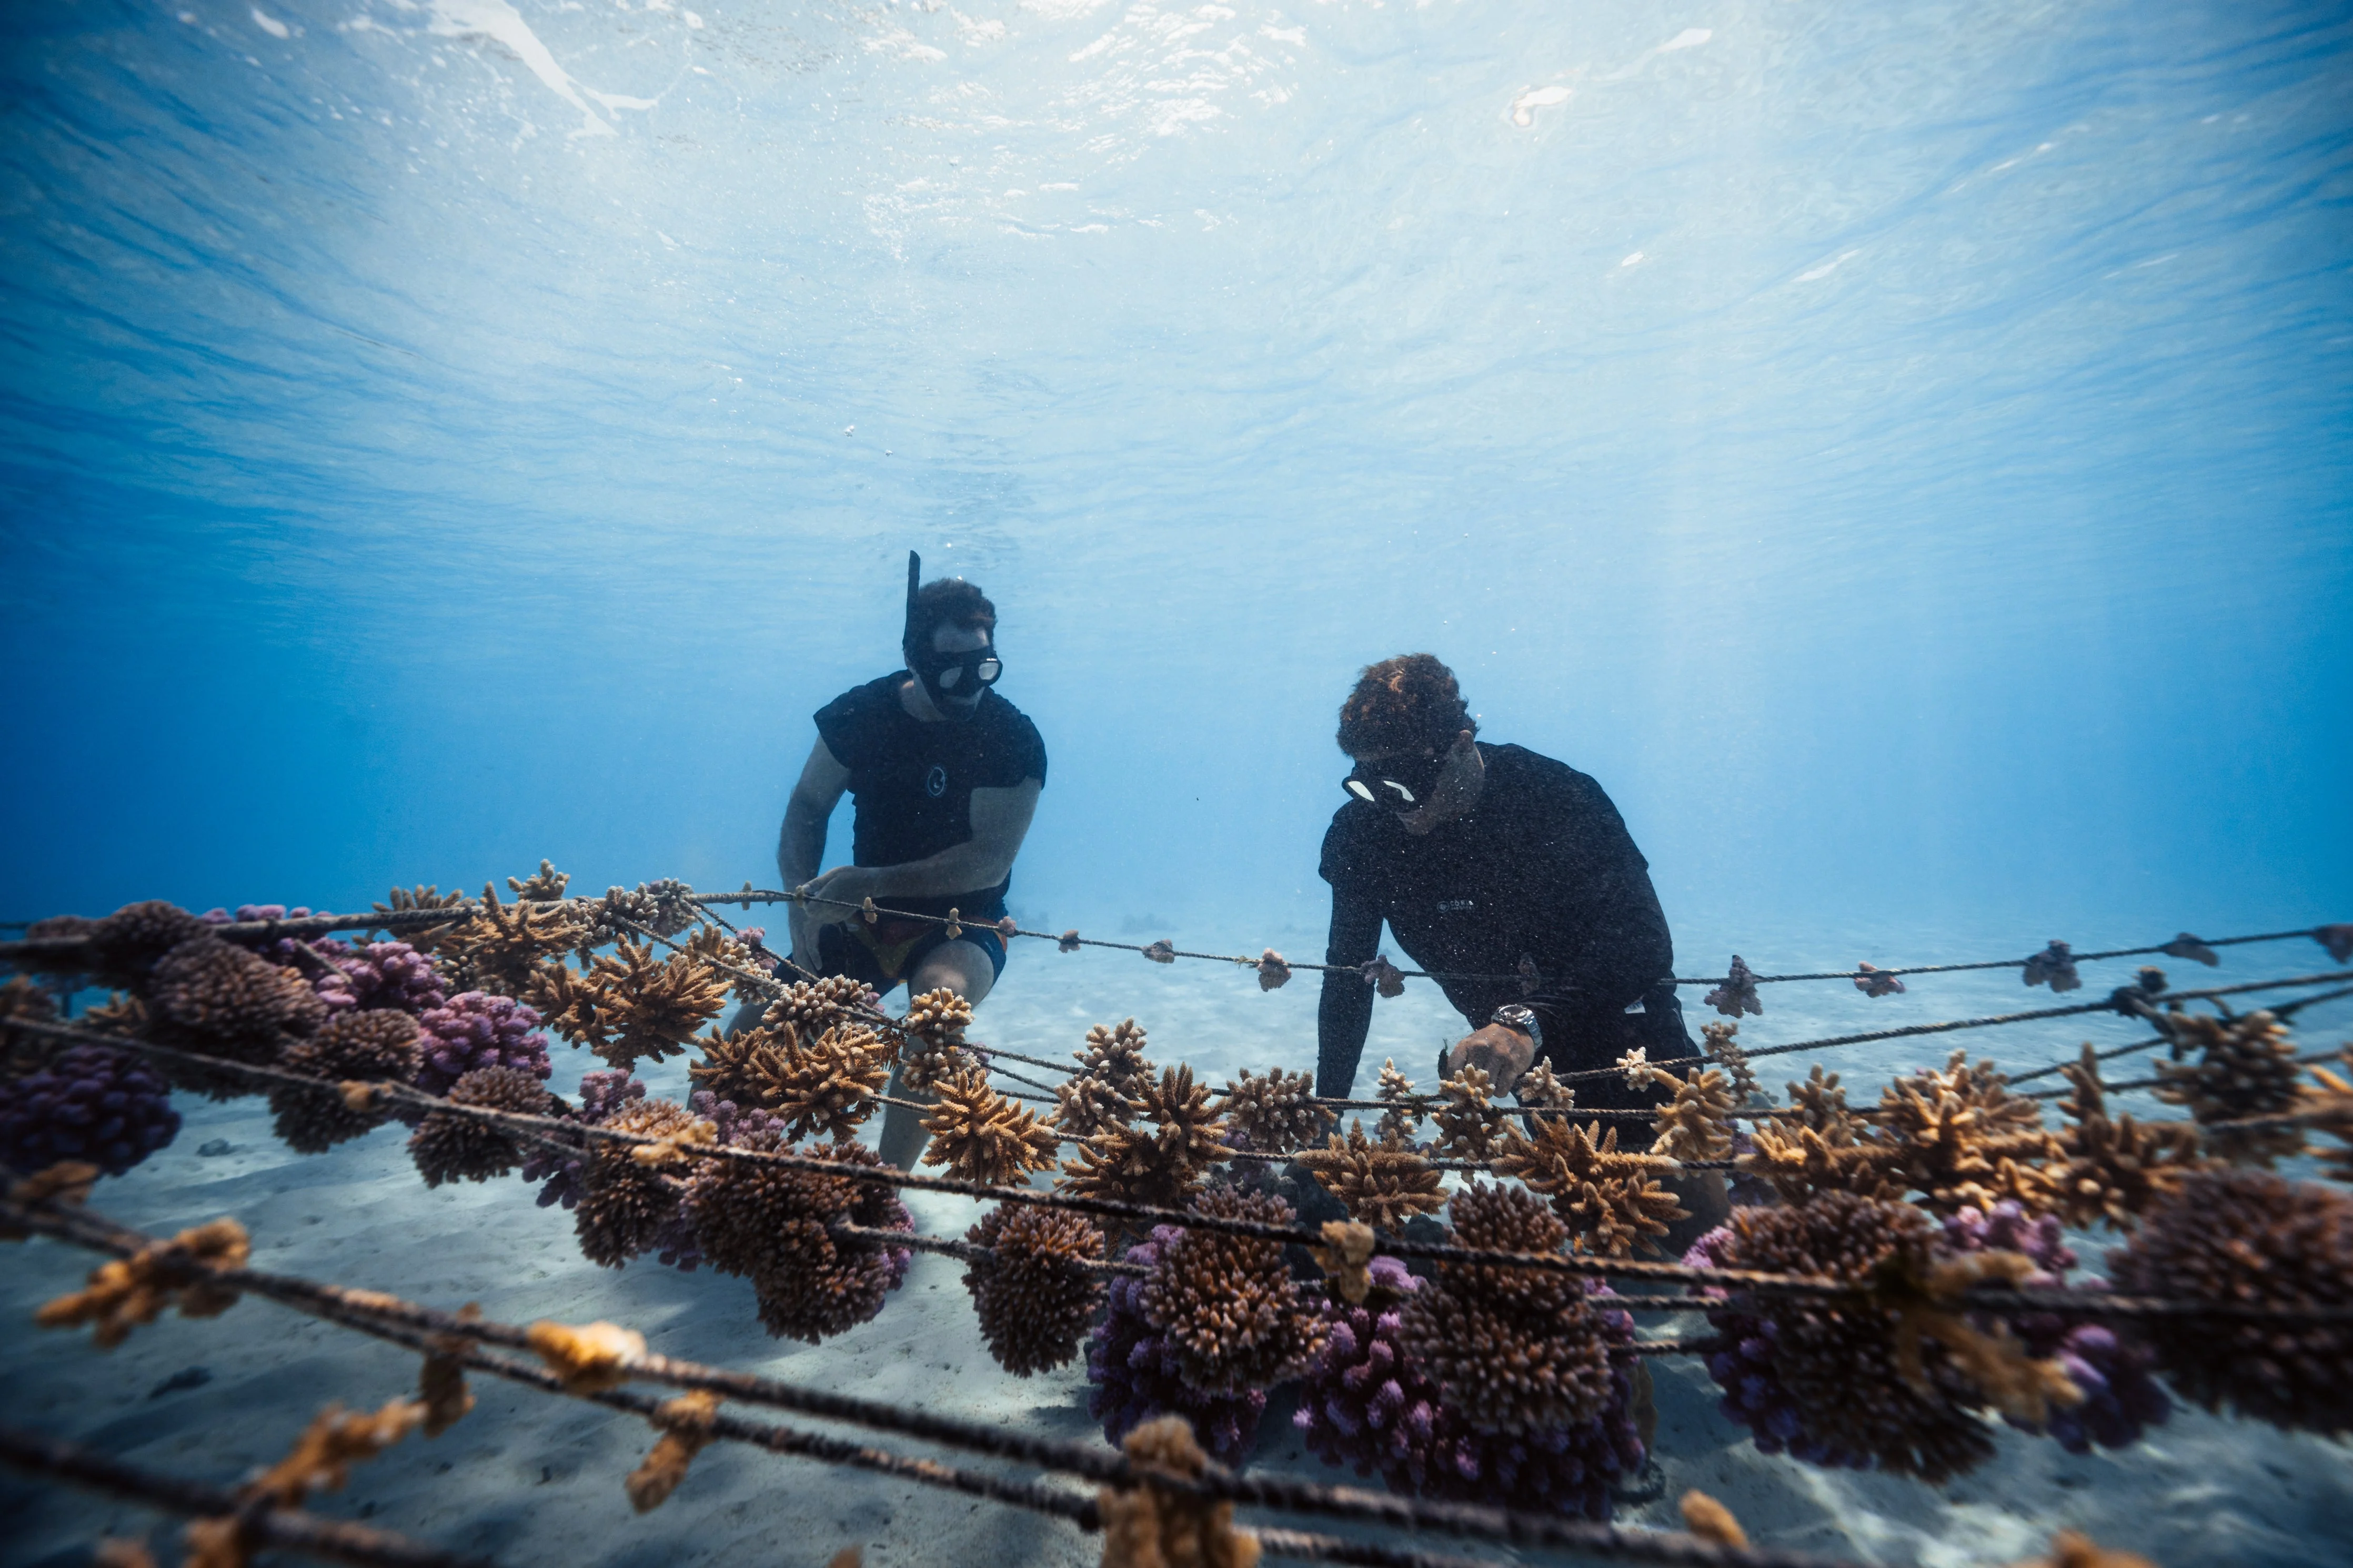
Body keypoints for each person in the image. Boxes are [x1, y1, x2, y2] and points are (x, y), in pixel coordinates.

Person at [1314, 653, 1693, 1125]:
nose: (1392, 804)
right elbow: (1348, 979)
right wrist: (1325, 1116)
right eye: (1369, 785)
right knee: (1562, 1170)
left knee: (1673, 1165)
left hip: (1631, 1041)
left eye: (1406, 783)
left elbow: (1642, 940)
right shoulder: (1364, 832)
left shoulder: (1553, 796)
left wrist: (1525, 1024)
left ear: (1461, 745)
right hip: (1517, 1062)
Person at [757, 552, 1046, 1168]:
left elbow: (989, 863)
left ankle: (880, 1190)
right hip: (861, 913)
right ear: (915, 657)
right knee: (765, 1016)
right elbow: (807, 806)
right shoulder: (860, 715)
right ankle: (710, 1161)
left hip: (963, 924)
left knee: (936, 1017)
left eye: (983, 668)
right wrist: (798, 902)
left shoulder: (1013, 740)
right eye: (951, 670)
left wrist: (872, 880)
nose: (969, 687)